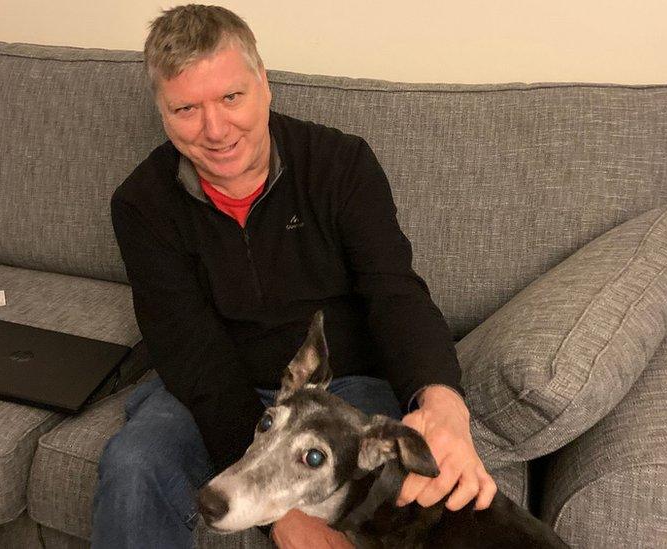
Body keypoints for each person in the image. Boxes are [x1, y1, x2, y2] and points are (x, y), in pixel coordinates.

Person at [92, 5, 496, 548]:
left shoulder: (342, 164)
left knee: (410, 492)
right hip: (217, 378)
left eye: (231, 97)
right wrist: (278, 513)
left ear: (265, 85)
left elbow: (394, 293)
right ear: (162, 111)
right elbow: (193, 356)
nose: (215, 130)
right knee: (133, 461)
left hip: (346, 380)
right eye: (186, 108)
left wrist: (443, 402)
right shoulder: (140, 204)